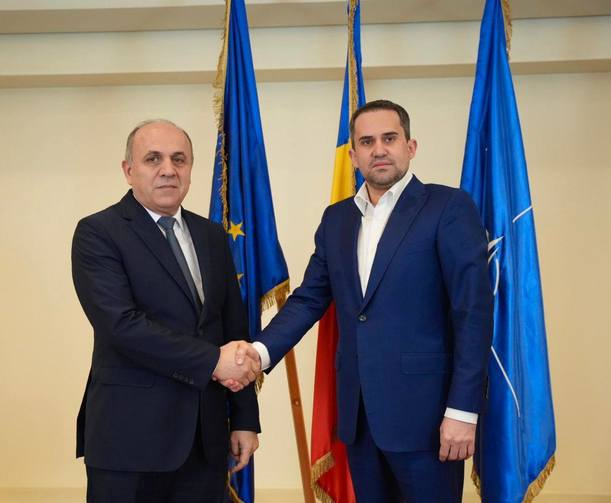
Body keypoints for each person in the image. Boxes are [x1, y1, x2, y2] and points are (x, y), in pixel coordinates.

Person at [247, 100, 493, 502]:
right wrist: (258, 353)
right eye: (367, 141)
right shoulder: (336, 219)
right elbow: (309, 299)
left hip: (429, 419)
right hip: (359, 418)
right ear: (353, 155)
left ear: (410, 147)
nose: (379, 149)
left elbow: (473, 314)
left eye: (389, 138)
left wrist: (463, 410)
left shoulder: (448, 207)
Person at [72, 119, 261, 503]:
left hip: (205, 441)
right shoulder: (98, 232)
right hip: (129, 441)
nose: (168, 170)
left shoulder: (212, 235)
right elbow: (121, 326)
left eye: (179, 159)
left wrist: (244, 418)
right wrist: (213, 361)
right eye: (153, 159)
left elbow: (232, 328)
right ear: (128, 170)